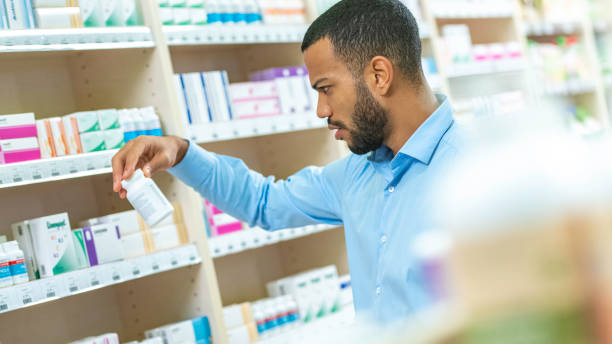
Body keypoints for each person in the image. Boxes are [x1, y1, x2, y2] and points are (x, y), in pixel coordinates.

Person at [112, 0, 463, 323]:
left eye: (326, 89)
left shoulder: (475, 174)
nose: (321, 111)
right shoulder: (359, 173)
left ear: (379, 75)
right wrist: (180, 152)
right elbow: (263, 202)